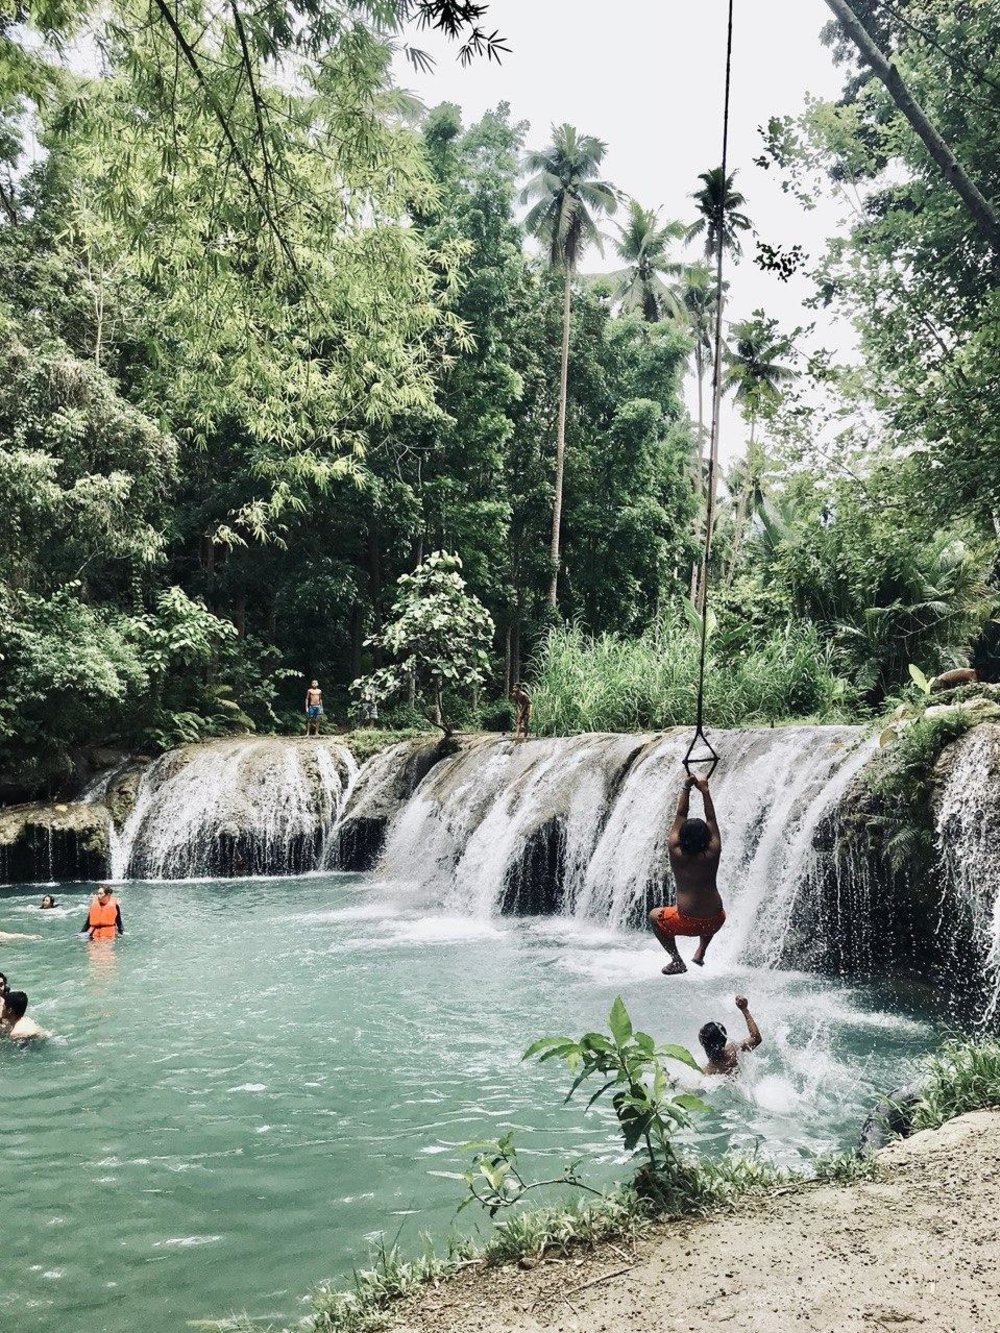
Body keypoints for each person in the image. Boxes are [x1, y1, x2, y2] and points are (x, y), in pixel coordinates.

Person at [649, 773, 725, 975]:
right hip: (716, 920)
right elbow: (711, 818)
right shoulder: (713, 851)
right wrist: (705, 790)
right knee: (709, 914)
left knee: (653, 916)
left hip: (686, 922)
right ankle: (701, 951)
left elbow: (680, 814)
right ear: (707, 837)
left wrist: (686, 786)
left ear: (681, 836)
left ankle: (676, 960)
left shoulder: (675, 851)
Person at [699, 995, 762, 1076]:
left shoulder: (708, 1072)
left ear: (702, 1042)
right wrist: (744, 1010)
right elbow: (756, 1038)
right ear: (724, 1039)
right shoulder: (734, 1050)